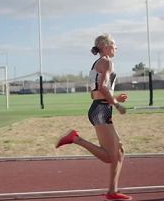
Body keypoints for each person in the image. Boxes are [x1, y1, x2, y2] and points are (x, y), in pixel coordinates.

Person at [55, 33, 132, 201]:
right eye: (114, 45)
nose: (116, 48)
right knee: (110, 156)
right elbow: (103, 88)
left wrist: (115, 98)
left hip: (100, 107)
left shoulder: (97, 63)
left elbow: (97, 93)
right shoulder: (107, 62)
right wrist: (117, 105)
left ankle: (112, 191)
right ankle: (75, 139)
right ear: (106, 47)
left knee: (119, 152)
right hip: (101, 111)